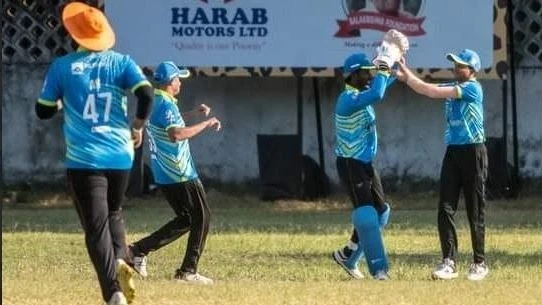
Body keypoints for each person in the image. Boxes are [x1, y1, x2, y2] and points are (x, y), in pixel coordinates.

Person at [35, 2, 154, 305]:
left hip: (85, 159)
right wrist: (138, 125)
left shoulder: (62, 67)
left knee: (95, 227)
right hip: (120, 155)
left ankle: (112, 291)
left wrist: (61, 102)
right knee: (113, 213)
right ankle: (120, 257)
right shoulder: (121, 62)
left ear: (75, 33)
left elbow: (43, 110)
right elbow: (146, 92)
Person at [395, 49, 489, 281]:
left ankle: (479, 263)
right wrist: (406, 76)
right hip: (453, 152)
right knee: (445, 208)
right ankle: (449, 262)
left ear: (472, 69)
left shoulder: (472, 88)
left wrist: (410, 78)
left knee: (474, 210)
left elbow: (431, 90)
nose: (456, 68)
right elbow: (425, 90)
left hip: (473, 151)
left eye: (461, 65)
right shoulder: (454, 86)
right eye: (455, 64)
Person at [128, 61, 221, 285]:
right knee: (202, 217)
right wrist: (207, 123)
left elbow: (167, 124)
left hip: (164, 175)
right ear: (171, 82)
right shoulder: (167, 107)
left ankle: (138, 251)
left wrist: (194, 113)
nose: (180, 82)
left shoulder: (157, 102)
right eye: (178, 79)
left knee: (187, 218)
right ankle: (188, 272)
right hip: (180, 173)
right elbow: (176, 134)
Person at [331, 53, 395, 280]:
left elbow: (385, 82)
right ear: (353, 74)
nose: (370, 75)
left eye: (371, 71)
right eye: (366, 72)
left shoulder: (361, 92)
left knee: (381, 212)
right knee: (367, 215)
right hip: (350, 163)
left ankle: (348, 256)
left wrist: (393, 59)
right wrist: (384, 70)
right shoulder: (347, 99)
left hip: (366, 163)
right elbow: (378, 91)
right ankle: (379, 270)